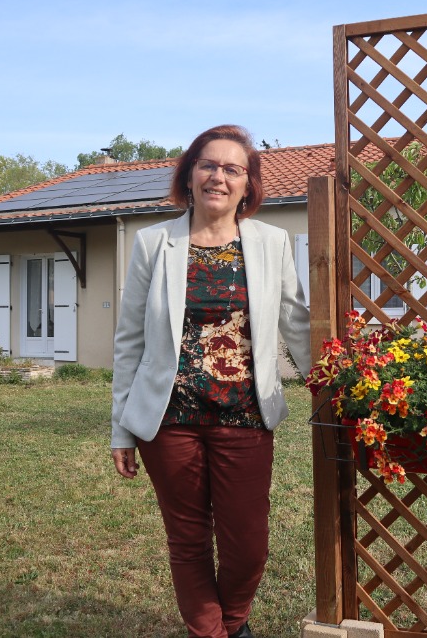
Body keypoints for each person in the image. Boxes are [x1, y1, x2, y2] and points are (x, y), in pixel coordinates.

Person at [110, 124, 311, 638]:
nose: (218, 177)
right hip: (168, 419)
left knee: (248, 545)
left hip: (246, 414)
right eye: (208, 165)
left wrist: (329, 385)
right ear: (189, 175)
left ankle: (234, 620)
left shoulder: (271, 242)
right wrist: (120, 429)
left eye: (232, 168)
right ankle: (215, 633)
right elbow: (130, 339)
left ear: (248, 183)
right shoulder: (153, 243)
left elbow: (295, 321)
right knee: (188, 540)